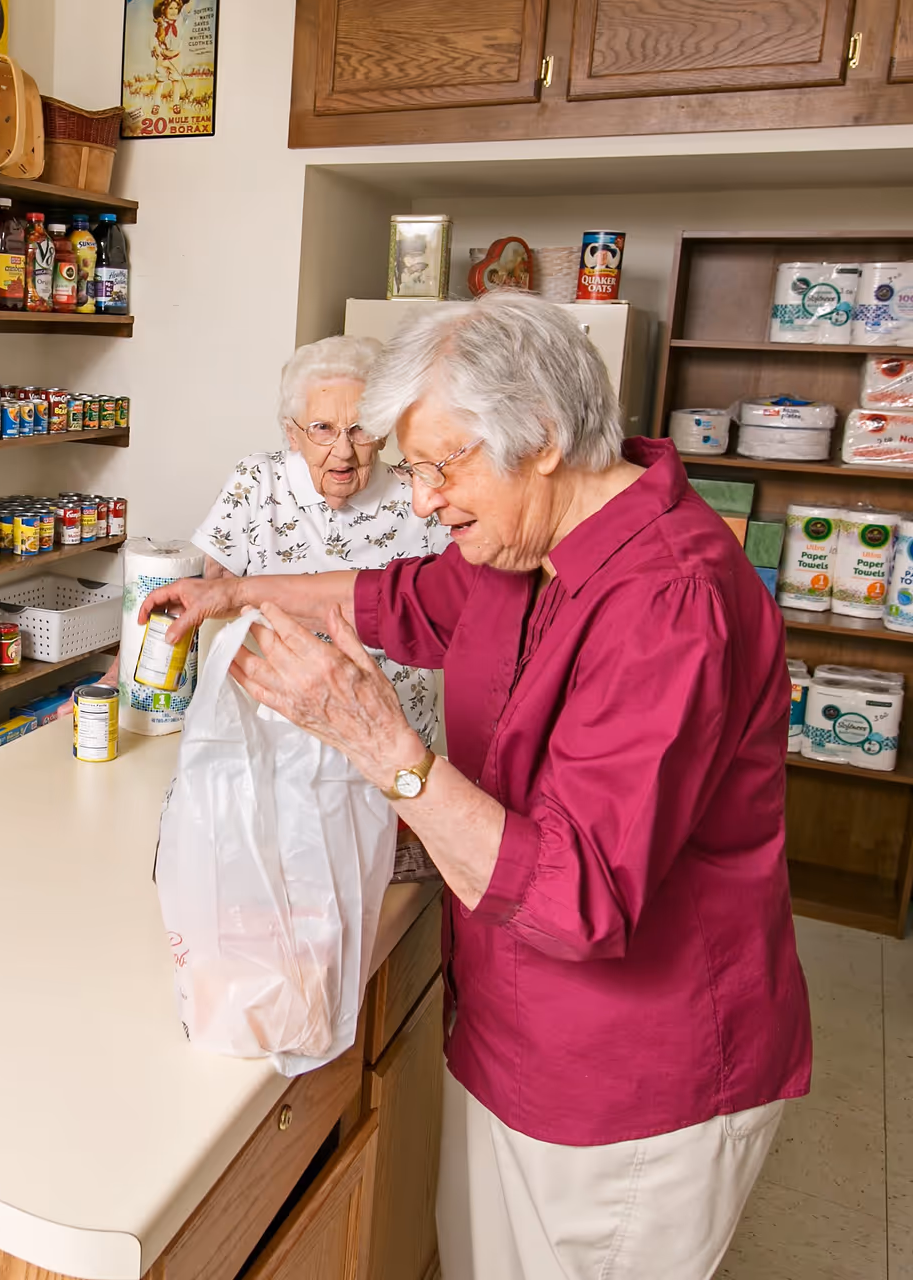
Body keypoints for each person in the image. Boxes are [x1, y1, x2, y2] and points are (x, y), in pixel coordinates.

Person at [144, 292, 809, 1280]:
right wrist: (233, 590)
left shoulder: (668, 600)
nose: (417, 502)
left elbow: (578, 899)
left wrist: (384, 748)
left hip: (626, 1079)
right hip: (511, 1028)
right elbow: (392, 597)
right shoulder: (522, 541)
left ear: (540, 435)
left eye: (438, 465)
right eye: (411, 467)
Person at [192, 334, 449, 747]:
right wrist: (118, 686)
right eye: (323, 429)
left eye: (361, 428)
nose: (343, 451)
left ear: (383, 432)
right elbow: (188, 595)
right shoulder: (258, 483)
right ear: (292, 434)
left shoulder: (424, 497)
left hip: (393, 740)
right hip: (273, 733)